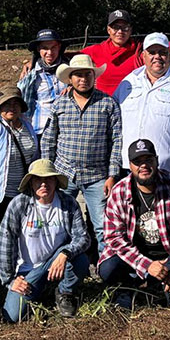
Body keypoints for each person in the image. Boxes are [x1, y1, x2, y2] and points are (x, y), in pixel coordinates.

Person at [98, 139, 170, 310]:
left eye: (148, 160)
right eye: (137, 162)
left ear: (157, 160)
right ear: (130, 165)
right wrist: (147, 265)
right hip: (136, 257)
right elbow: (113, 238)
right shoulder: (118, 192)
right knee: (108, 268)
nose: (143, 166)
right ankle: (128, 289)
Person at [41, 54, 122, 253]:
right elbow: (48, 140)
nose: (83, 79)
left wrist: (112, 175)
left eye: (87, 74)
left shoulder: (108, 104)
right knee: (59, 223)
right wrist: (47, 174)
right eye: (78, 75)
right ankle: (60, 264)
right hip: (64, 174)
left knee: (103, 226)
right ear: (70, 78)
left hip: (97, 176)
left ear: (94, 76)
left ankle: (107, 267)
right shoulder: (59, 105)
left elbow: (117, 141)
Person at [0, 159, 90, 322]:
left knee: (81, 261)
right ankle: (41, 290)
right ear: (31, 182)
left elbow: (83, 237)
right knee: (12, 316)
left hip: (58, 261)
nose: (43, 183)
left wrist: (65, 254)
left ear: (56, 181)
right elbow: (5, 243)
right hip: (28, 269)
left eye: (49, 178)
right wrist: (10, 281)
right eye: (38, 179)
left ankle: (65, 292)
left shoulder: (68, 203)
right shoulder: (19, 205)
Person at [113, 32, 170, 177]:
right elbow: (112, 118)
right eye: (152, 52)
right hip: (128, 168)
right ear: (143, 56)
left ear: (169, 55)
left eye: (162, 52)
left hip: (168, 169)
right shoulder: (128, 82)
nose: (157, 57)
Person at [0, 85, 40, 286]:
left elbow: (35, 158)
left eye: (15, 103)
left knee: (9, 233)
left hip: (23, 194)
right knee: (5, 233)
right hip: (0, 194)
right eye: (6, 104)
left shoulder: (28, 127)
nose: (11, 107)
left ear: (21, 106)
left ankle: (5, 273)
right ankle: (0, 277)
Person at [80, 10, 170, 95]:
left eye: (125, 27)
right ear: (108, 29)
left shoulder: (140, 50)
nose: (120, 32)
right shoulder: (96, 50)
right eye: (115, 27)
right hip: (105, 106)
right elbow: (70, 59)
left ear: (131, 29)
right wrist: (70, 84)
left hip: (133, 105)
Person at [18, 28, 69, 137]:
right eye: (45, 48)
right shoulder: (30, 74)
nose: (49, 53)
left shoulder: (70, 70)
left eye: (53, 47)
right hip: (38, 130)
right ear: (38, 49)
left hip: (65, 131)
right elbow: (21, 101)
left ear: (59, 47)